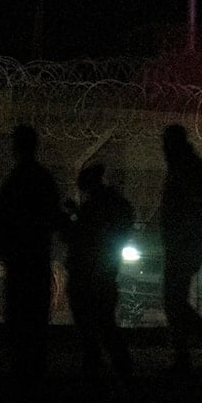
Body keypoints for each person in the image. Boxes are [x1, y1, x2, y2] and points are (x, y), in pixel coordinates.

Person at [0, 124, 63, 384]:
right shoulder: (42, 179)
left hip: (19, 259)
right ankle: (35, 367)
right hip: (37, 257)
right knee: (36, 315)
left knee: (17, 313)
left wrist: (1, 246)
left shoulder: (15, 180)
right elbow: (54, 218)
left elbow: (3, 219)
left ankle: (20, 366)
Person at [159, 124, 202, 374]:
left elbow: (192, 210)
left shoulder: (186, 168)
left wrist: (185, 241)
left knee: (173, 300)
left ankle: (194, 352)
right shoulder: (186, 166)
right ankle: (196, 350)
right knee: (175, 300)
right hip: (184, 243)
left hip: (184, 244)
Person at [63, 163, 135, 384]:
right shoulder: (113, 203)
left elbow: (82, 234)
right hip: (104, 267)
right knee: (103, 317)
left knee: (91, 315)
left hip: (90, 269)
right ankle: (117, 361)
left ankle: (101, 359)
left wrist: (71, 217)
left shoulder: (96, 205)